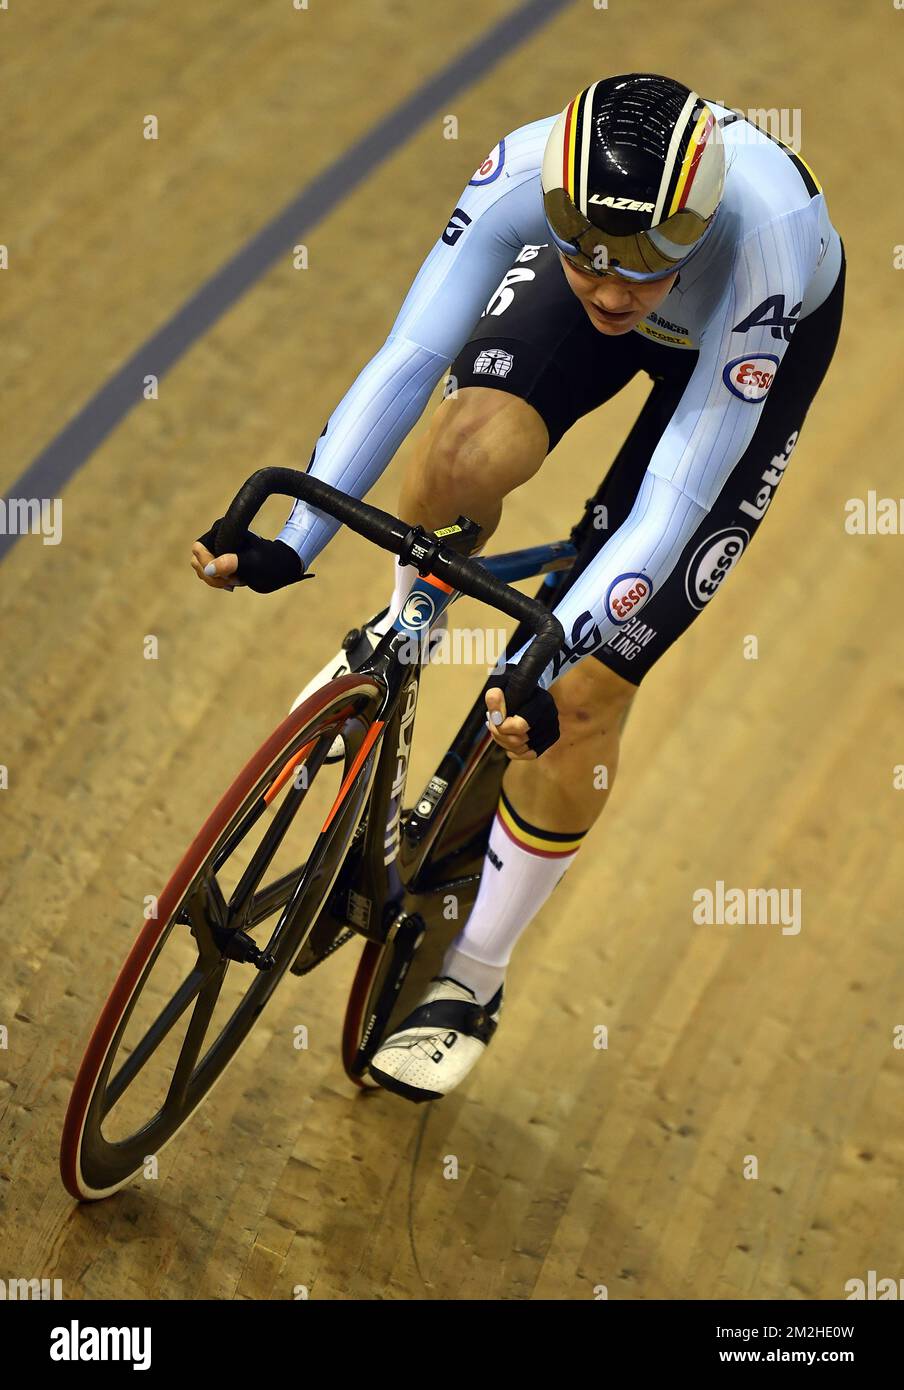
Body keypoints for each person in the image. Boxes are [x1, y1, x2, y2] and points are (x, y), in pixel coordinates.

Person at [192, 74, 844, 1103]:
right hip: (666, 283)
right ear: (556, 209)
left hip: (741, 338)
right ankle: (405, 628)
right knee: (459, 447)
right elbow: (409, 358)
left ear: (698, 223)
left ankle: (473, 974)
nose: (616, 288)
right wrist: (298, 535)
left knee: (582, 695)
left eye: (647, 260)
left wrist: (557, 651)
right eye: (590, 253)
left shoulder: (764, 239)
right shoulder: (522, 176)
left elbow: (674, 501)